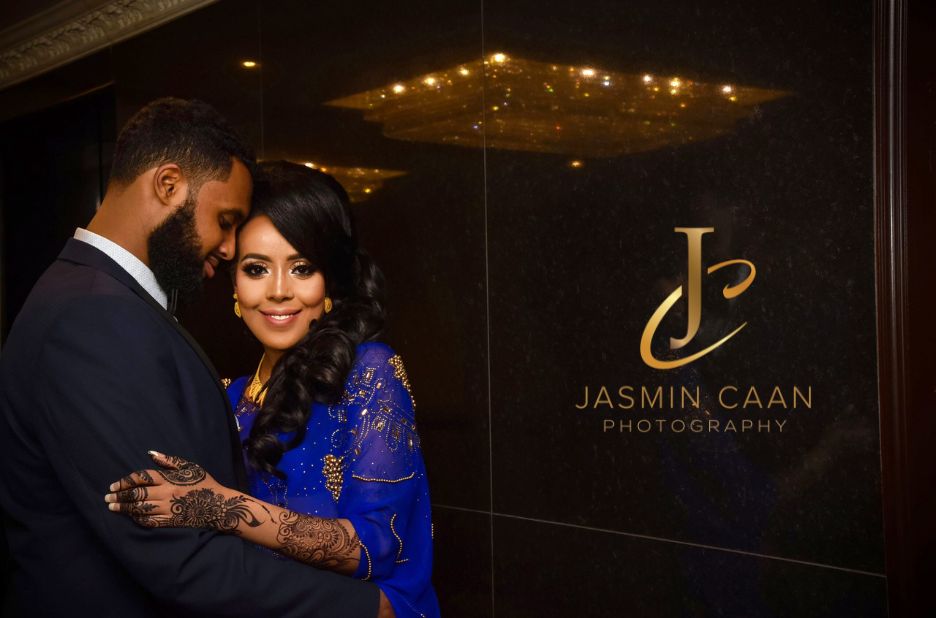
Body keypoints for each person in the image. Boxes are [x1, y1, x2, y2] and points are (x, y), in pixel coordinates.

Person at [0, 98, 392, 616]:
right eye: (226, 221)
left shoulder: (96, 299)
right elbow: (176, 556)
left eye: (301, 267)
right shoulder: (94, 316)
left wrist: (220, 506)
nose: (228, 249)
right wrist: (363, 608)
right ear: (168, 185)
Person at [104, 161, 440, 618]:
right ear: (235, 286)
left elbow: (375, 548)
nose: (278, 291)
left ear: (329, 283)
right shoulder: (229, 397)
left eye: (301, 268)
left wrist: (219, 506)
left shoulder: (369, 372)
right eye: (257, 268)